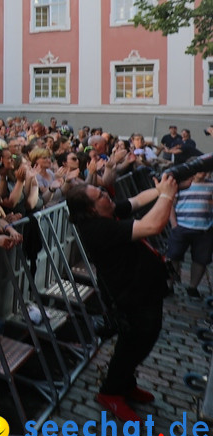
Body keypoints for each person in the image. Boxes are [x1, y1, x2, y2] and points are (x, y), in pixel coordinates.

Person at [64, 174, 178, 422]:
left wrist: (160, 191)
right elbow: (151, 226)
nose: (107, 194)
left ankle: (125, 384)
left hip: (144, 289)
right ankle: (111, 392)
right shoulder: (96, 228)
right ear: (91, 209)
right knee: (135, 343)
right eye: (100, 195)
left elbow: (136, 201)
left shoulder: (108, 211)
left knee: (141, 339)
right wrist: (167, 196)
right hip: (130, 295)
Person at [166, 171, 213, 298]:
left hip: (204, 228)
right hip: (182, 226)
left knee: (201, 260)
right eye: (200, 170)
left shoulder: (211, 185)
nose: (203, 173)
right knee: (173, 256)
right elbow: (170, 203)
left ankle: (193, 287)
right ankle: (168, 285)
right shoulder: (182, 185)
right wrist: (174, 224)